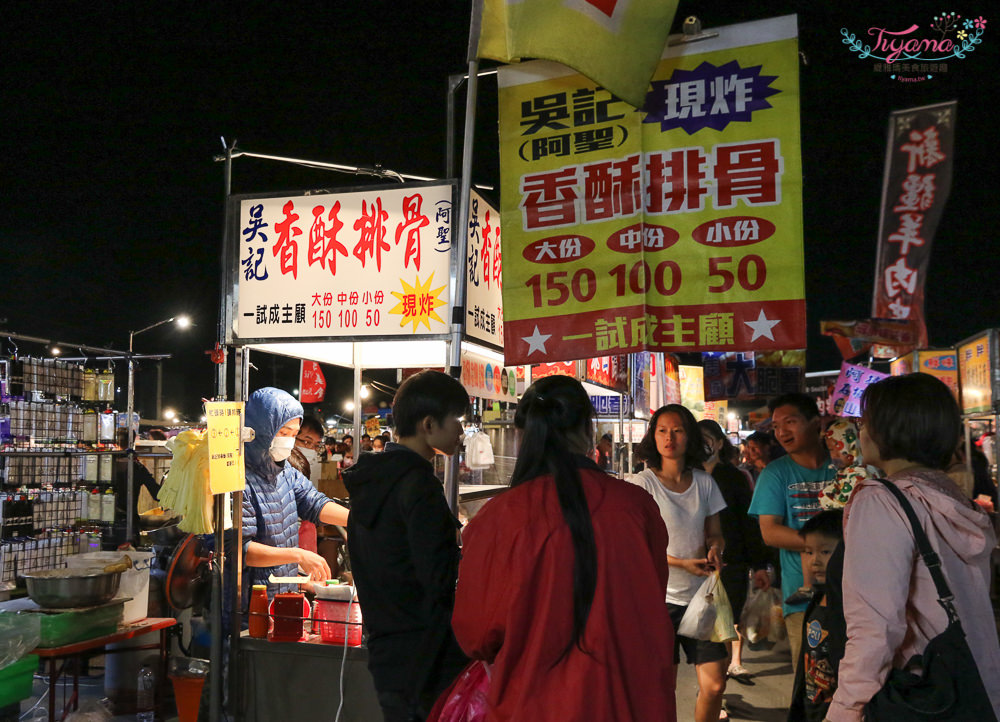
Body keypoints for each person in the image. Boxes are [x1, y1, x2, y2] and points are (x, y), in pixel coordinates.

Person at [452, 376, 677, 722]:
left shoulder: (499, 517)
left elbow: (476, 635)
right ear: (587, 430)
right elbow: (650, 595)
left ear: (522, 434)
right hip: (633, 700)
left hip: (531, 706)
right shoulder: (636, 506)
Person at [828, 373, 1000, 721]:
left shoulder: (881, 501)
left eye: (865, 421)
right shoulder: (953, 497)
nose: (860, 431)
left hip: (918, 695)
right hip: (975, 688)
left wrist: (845, 709)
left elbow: (875, 628)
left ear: (889, 428)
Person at [342, 370, 470, 722]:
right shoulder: (418, 486)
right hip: (427, 657)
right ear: (429, 424)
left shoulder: (373, 480)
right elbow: (440, 579)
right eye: (457, 422)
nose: (462, 432)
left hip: (387, 649)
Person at [630, 404, 728, 722]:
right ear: (653, 436)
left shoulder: (704, 483)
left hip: (702, 596)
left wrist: (715, 550)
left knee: (714, 685)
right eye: (662, 430)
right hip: (659, 600)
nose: (669, 437)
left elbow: (715, 533)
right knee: (662, 687)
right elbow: (637, 548)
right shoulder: (642, 484)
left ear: (690, 436)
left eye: (677, 430)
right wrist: (681, 563)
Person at [748, 393, 834, 677]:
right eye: (776, 426)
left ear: (815, 422)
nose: (782, 431)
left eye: (790, 422)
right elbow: (770, 532)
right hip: (802, 598)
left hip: (855, 591)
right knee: (812, 678)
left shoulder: (844, 468)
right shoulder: (776, 474)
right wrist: (827, 547)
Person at [242, 388, 350, 605]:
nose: (289, 442)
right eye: (283, 433)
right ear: (262, 430)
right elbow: (241, 551)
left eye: (293, 434)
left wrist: (358, 520)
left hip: (284, 595)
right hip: (248, 601)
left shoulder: (285, 471)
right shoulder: (237, 479)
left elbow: (314, 503)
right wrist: (298, 555)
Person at [698, 419, 771, 685]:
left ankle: (718, 689)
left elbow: (747, 523)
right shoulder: (686, 474)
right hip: (695, 565)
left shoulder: (734, 477)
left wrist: (759, 564)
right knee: (705, 629)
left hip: (732, 564)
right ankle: (712, 689)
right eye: (697, 438)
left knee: (725, 628)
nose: (702, 444)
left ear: (719, 443)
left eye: (707, 438)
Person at [787, 510, 844, 722]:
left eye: (825, 552)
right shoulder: (818, 598)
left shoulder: (851, 605)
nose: (815, 561)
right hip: (811, 706)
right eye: (808, 552)